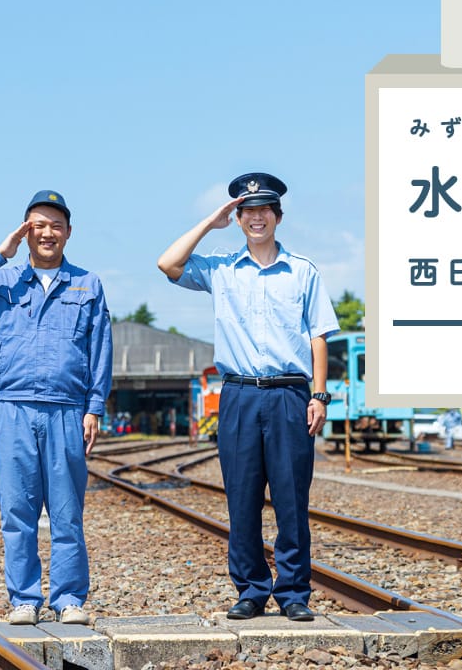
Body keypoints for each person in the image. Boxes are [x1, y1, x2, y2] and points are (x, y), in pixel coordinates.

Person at [157, 172, 339, 622]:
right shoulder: (220, 269)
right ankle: (252, 590)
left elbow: (318, 336)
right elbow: (168, 264)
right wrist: (209, 222)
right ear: (237, 219)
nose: (257, 219)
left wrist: (319, 395)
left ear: (278, 217)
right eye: (248, 212)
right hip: (238, 394)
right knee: (242, 499)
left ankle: (293, 592)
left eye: (264, 211)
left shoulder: (303, 271)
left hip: (290, 395)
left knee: (291, 499)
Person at [0, 190, 112, 626]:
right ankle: (24, 599)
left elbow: (100, 349)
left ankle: (69, 599)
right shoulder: (2, 281)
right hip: (13, 408)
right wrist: (2, 251)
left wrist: (94, 407)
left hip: (67, 409)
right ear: (25, 231)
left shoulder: (87, 284)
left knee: (67, 513)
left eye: (56, 225)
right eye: (38, 225)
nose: (47, 233)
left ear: (69, 232)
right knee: (17, 512)